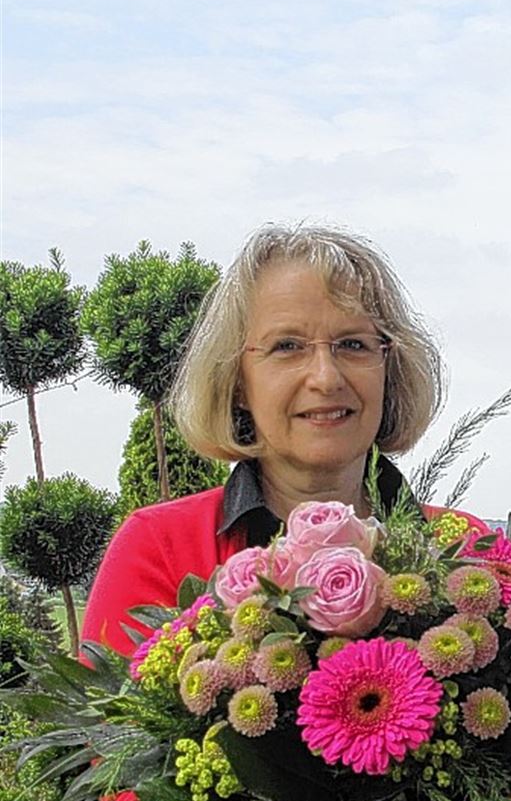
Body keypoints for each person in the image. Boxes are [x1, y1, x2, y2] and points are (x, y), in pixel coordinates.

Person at [82, 222, 481, 656]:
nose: (326, 378)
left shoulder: (465, 550)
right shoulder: (159, 549)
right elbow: (111, 720)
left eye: (353, 344)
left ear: (390, 369)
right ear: (236, 381)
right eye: (288, 346)